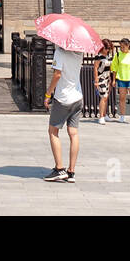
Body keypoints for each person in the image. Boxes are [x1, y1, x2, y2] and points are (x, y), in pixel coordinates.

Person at [43, 43, 83, 183]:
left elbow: (57, 75)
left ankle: (59, 169)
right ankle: (71, 171)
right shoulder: (79, 53)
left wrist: (48, 94)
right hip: (77, 96)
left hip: (63, 98)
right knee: (73, 133)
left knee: (53, 131)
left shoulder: (60, 53)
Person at [95, 38, 114, 125]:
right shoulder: (98, 56)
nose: (108, 50)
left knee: (106, 97)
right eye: (106, 48)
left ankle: (104, 114)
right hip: (101, 78)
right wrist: (96, 80)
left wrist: (111, 78)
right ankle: (101, 117)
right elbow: (95, 68)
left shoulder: (108, 56)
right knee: (103, 97)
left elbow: (110, 68)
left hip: (107, 78)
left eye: (109, 48)